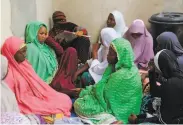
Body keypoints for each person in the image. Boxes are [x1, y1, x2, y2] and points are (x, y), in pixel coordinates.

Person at [74, 38, 142, 124]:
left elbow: (105, 95)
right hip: (130, 110)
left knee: (80, 105)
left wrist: (84, 92)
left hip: (120, 111)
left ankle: (110, 121)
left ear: (119, 56)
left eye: (110, 53)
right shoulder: (130, 68)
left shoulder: (121, 75)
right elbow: (104, 87)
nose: (107, 55)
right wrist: (87, 91)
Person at [1, 36, 72, 116]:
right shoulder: (8, 73)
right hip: (27, 100)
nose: (25, 55)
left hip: (38, 93)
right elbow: (11, 99)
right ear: (12, 53)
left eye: (25, 51)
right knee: (58, 107)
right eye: (22, 52)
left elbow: (37, 82)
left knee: (65, 99)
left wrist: (43, 93)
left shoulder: (24, 64)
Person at [129, 50, 183, 124]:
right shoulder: (177, 76)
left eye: (157, 67)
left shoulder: (170, 85)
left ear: (162, 67)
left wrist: (137, 120)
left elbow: (164, 120)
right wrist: (151, 72)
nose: (157, 70)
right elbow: (156, 92)